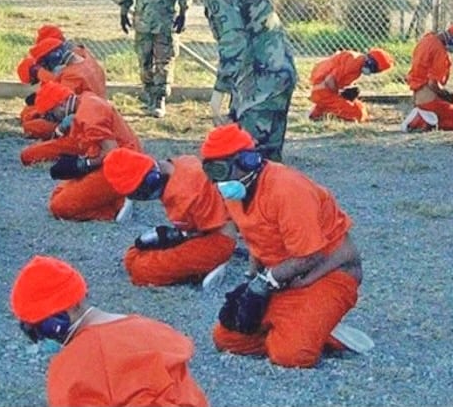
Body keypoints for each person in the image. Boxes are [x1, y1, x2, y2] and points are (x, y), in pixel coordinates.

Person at [198, 123, 373, 368]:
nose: (218, 180)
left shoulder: (287, 188)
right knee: (226, 339)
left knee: (291, 356)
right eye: (211, 172)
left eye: (221, 169)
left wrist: (264, 283)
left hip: (327, 274)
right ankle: (305, 326)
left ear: (247, 161)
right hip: (285, 276)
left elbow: (310, 256)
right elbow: (255, 239)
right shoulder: (237, 192)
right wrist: (251, 280)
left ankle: (316, 331)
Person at [9, 255, 210, 407]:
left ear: (63, 314)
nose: (39, 338)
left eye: (38, 328)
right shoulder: (150, 327)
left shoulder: (72, 365)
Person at [165, 0, 297, 161]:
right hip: (273, 74)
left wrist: (219, 92)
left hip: (264, 79)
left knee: (250, 159)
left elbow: (234, 43)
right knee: (267, 160)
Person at [102, 147, 237, 288]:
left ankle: (208, 266)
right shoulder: (178, 165)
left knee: (141, 270)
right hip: (199, 232)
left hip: (219, 239)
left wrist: (181, 242)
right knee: (132, 256)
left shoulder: (185, 194)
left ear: (151, 179)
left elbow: (219, 229)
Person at [20, 81, 142, 221]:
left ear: (61, 104)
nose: (53, 120)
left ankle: (115, 210)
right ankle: (117, 197)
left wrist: (84, 164)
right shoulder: (85, 100)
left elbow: (111, 153)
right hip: (116, 161)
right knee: (58, 194)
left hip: (121, 167)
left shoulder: (88, 113)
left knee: (59, 207)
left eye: (52, 115)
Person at [402, 24, 453, 132]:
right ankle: (422, 119)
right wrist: (452, 98)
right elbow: (433, 84)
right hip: (430, 99)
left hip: (419, 96)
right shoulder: (440, 51)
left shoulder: (427, 39)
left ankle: (424, 117)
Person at [308, 48, 394, 122]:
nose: (372, 72)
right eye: (375, 69)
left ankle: (319, 111)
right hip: (322, 91)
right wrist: (340, 95)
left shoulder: (357, 62)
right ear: (371, 62)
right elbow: (329, 80)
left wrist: (345, 92)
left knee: (359, 107)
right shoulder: (354, 63)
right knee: (357, 114)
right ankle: (324, 111)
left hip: (323, 90)